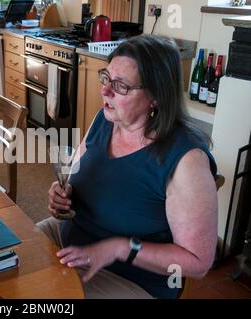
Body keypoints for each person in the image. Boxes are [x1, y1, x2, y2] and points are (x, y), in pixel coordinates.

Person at [37, 35, 218, 299]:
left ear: (155, 97)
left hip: (127, 277)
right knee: (7, 261)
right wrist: (61, 193)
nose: (105, 91)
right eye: (106, 78)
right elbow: (74, 175)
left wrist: (119, 248)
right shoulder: (105, 119)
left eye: (120, 86)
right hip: (69, 237)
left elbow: (198, 263)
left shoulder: (186, 159)